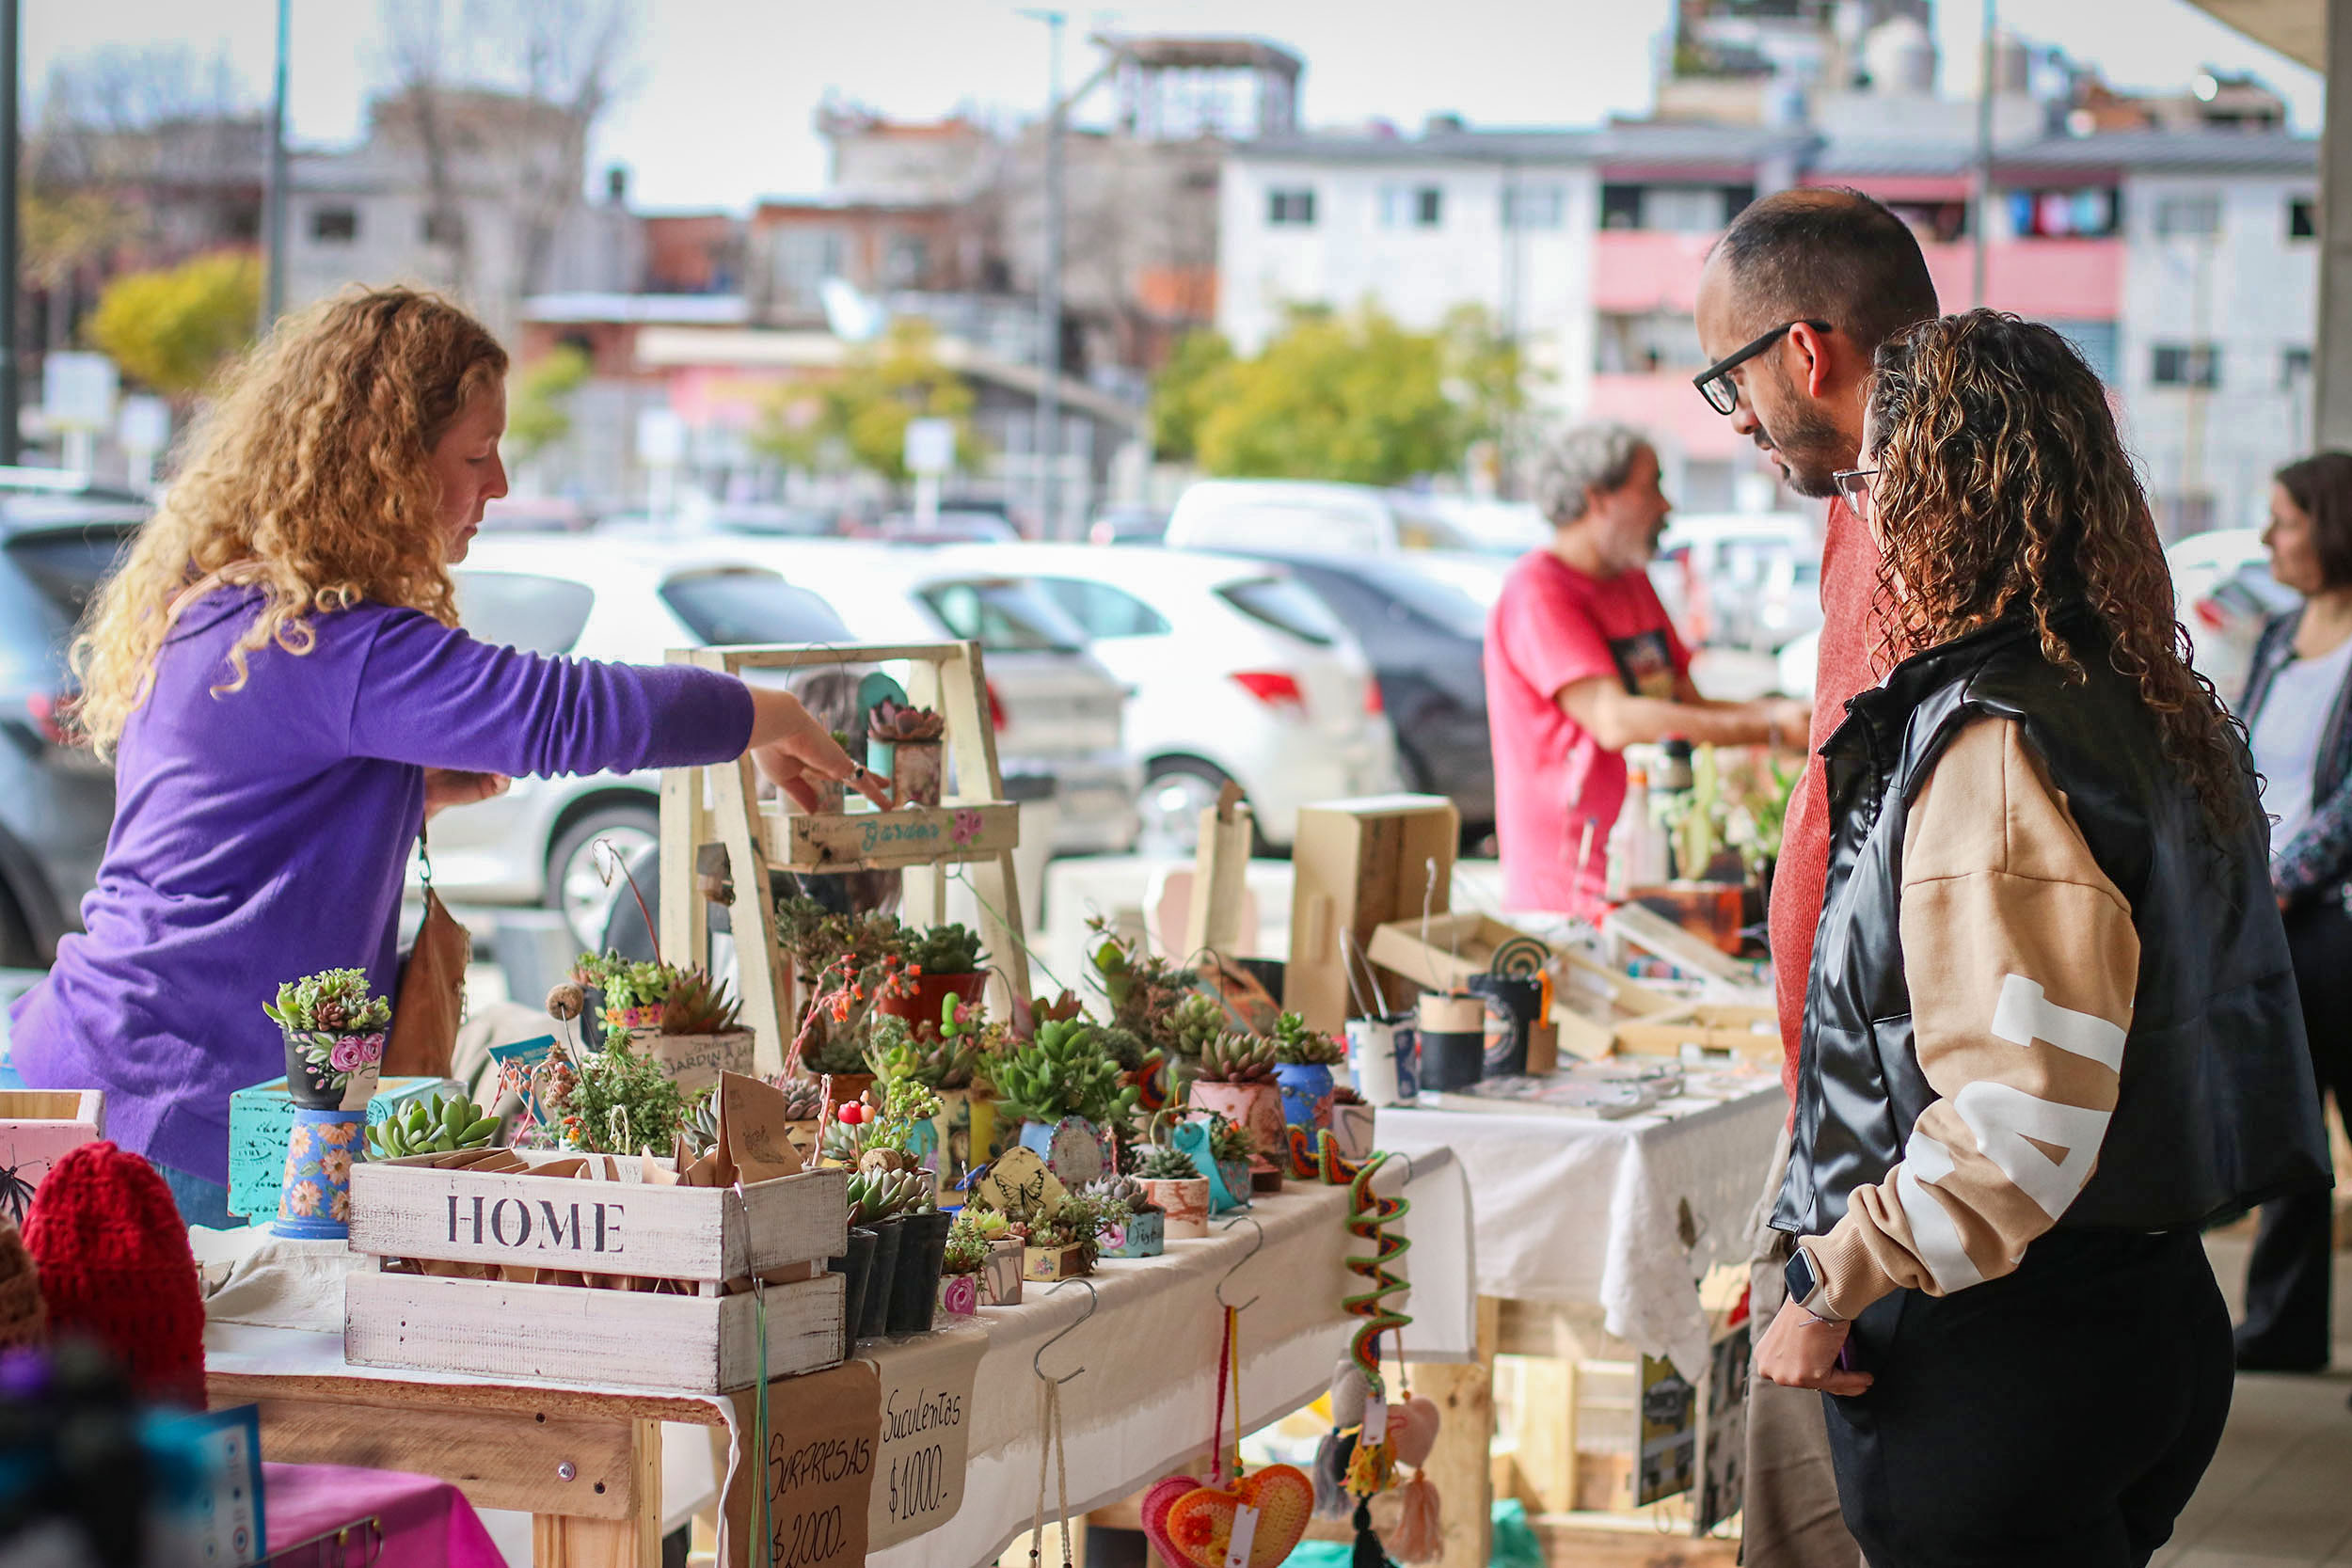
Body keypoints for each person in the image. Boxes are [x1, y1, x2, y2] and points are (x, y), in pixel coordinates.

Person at [9, 289, 888, 1227]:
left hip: (117, 1069)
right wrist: (767, 711)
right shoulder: (324, 639)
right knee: (236, 1371)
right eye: (476, 453)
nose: (500, 482)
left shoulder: (233, 609)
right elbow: (557, 710)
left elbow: (225, 828)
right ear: (382, 463)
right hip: (184, 1112)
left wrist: (385, 799)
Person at [1754, 309, 2331, 1567]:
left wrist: (1831, 1279)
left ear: (1937, 493)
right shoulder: (2143, 698)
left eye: (1873, 480)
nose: (1866, 511)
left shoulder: (2000, 737)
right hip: (2145, 1308)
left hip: (2005, 1359)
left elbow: (2020, 1112)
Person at [1691, 184, 1937, 1568]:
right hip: (1863, 1131)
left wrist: (1837, 1253)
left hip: (1888, 1150)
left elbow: (1928, 919)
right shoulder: (1874, 501)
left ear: (1803, 350)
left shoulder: (1942, 524)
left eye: (1729, 378)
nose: (1732, 420)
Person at [1484, 421, 1806, 915]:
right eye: (1652, 485)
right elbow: (1614, 721)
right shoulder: (1537, 591)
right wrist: (1769, 728)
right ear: (1599, 499)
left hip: (1647, 877)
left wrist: (1787, 714)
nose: (1666, 505)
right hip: (1570, 895)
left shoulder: (1632, 581)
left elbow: (1685, 705)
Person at [2232, 451, 2352, 1374]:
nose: (2270, 536)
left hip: (2331, 916)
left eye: (2284, 519)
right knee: (2289, 1125)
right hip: (2271, 910)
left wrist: (2284, 876)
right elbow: (2240, 756)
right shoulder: (2277, 633)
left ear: (2330, 523)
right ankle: (2282, 1327)